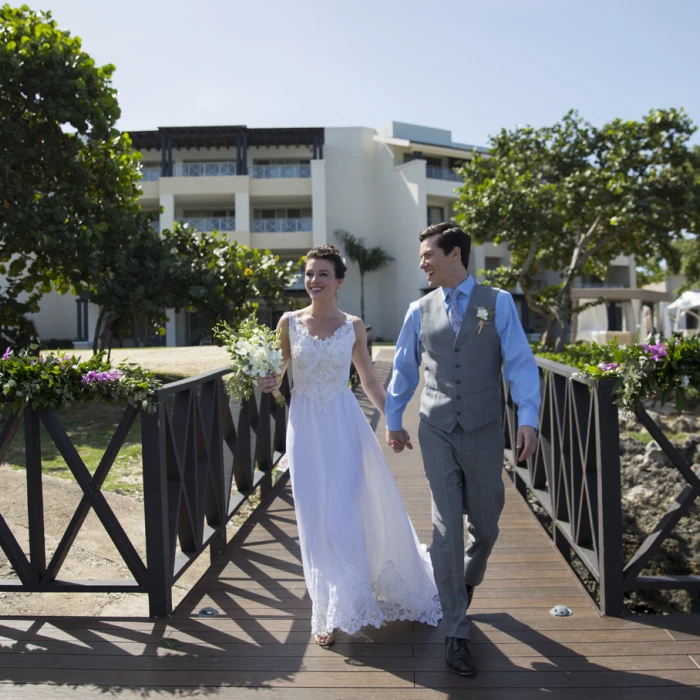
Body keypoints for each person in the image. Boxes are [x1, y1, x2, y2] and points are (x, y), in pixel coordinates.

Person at [258, 244, 442, 647]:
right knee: (313, 514)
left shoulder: (354, 326)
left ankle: (348, 597)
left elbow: (370, 381)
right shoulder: (287, 323)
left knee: (345, 506)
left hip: (344, 424)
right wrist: (267, 382)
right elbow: (277, 373)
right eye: (309, 274)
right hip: (304, 425)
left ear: (339, 281)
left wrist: (392, 421)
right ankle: (324, 608)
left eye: (323, 274)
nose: (314, 281)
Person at [385, 222, 540, 676]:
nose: (423, 263)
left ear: (455, 254)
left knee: (486, 525)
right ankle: (456, 630)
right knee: (447, 529)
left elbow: (519, 362)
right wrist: (393, 419)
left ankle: (467, 578)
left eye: (429, 255)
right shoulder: (418, 309)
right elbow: (403, 369)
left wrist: (527, 417)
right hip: (435, 428)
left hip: (485, 428)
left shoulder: (499, 303)